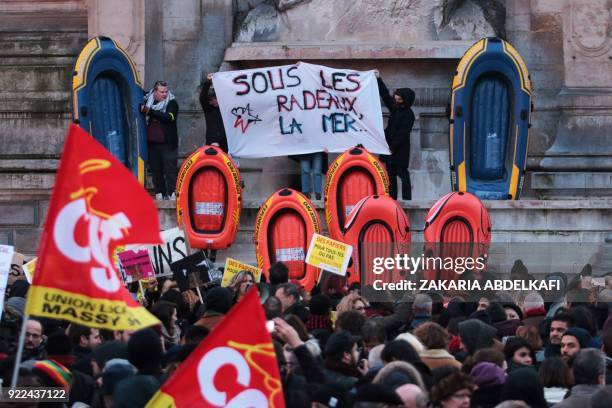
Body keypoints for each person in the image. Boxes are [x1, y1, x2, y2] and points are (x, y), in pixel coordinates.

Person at [375, 71, 415, 200]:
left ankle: (407, 199)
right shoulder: (395, 109)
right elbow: (386, 96)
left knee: (403, 174)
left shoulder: (409, 115)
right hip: (389, 148)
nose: (396, 99)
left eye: (399, 98)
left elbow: (403, 133)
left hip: (400, 150)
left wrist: (393, 147)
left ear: (405, 100)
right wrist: (379, 79)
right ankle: (392, 199)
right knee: (390, 175)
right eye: (396, 97)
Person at [141, 80, 179, 200]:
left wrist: (150, 112)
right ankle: (160, 193)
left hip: (168, 144)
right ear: (155, 92)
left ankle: (172, 193)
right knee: (156, 170)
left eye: (166, 91)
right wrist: (147, 109)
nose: (165, 94)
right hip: (152, 144)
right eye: (162, 92)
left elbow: (168, 117)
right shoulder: (147, 101)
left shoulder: (172, 103)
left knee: (170, 170)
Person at [199, 73, 228, 152]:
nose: (213, 102)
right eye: (211, 100)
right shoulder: (208, 109)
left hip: (225, 142)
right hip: (212, 141)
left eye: (215, 99)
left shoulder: (225, 108)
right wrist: (208, 82)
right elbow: (203, 97)